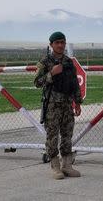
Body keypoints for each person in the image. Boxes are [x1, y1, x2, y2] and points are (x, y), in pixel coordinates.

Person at [34, 31, 82, 180]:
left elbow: (74, 83)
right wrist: (51, 74)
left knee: (67, 135)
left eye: (62, 42)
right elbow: (37, 82)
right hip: (52, 107)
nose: (60, 45)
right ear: (51, 45)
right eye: (57, 42)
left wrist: (78, 102)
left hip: (67, 105)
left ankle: (67, 166)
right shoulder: (45, 62)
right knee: (52, 137)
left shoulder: (68, 62)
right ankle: (55, 167)